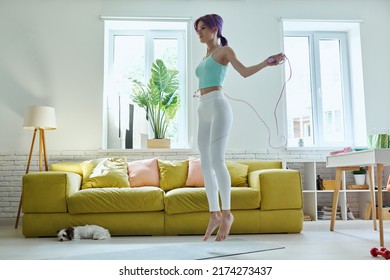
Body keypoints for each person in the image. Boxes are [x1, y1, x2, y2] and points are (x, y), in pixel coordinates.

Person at [194, 13, 285, 242]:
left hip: (218, 106)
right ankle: (214, 213)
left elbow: (244, 72)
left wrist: (267, 62)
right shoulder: (205, 55)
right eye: (197, 29)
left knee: (216, 161)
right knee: (204, 163)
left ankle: (227, 214)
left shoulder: (225, 51)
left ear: (215, 29)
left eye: (203, 28)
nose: (200, 32)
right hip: (203, 108)